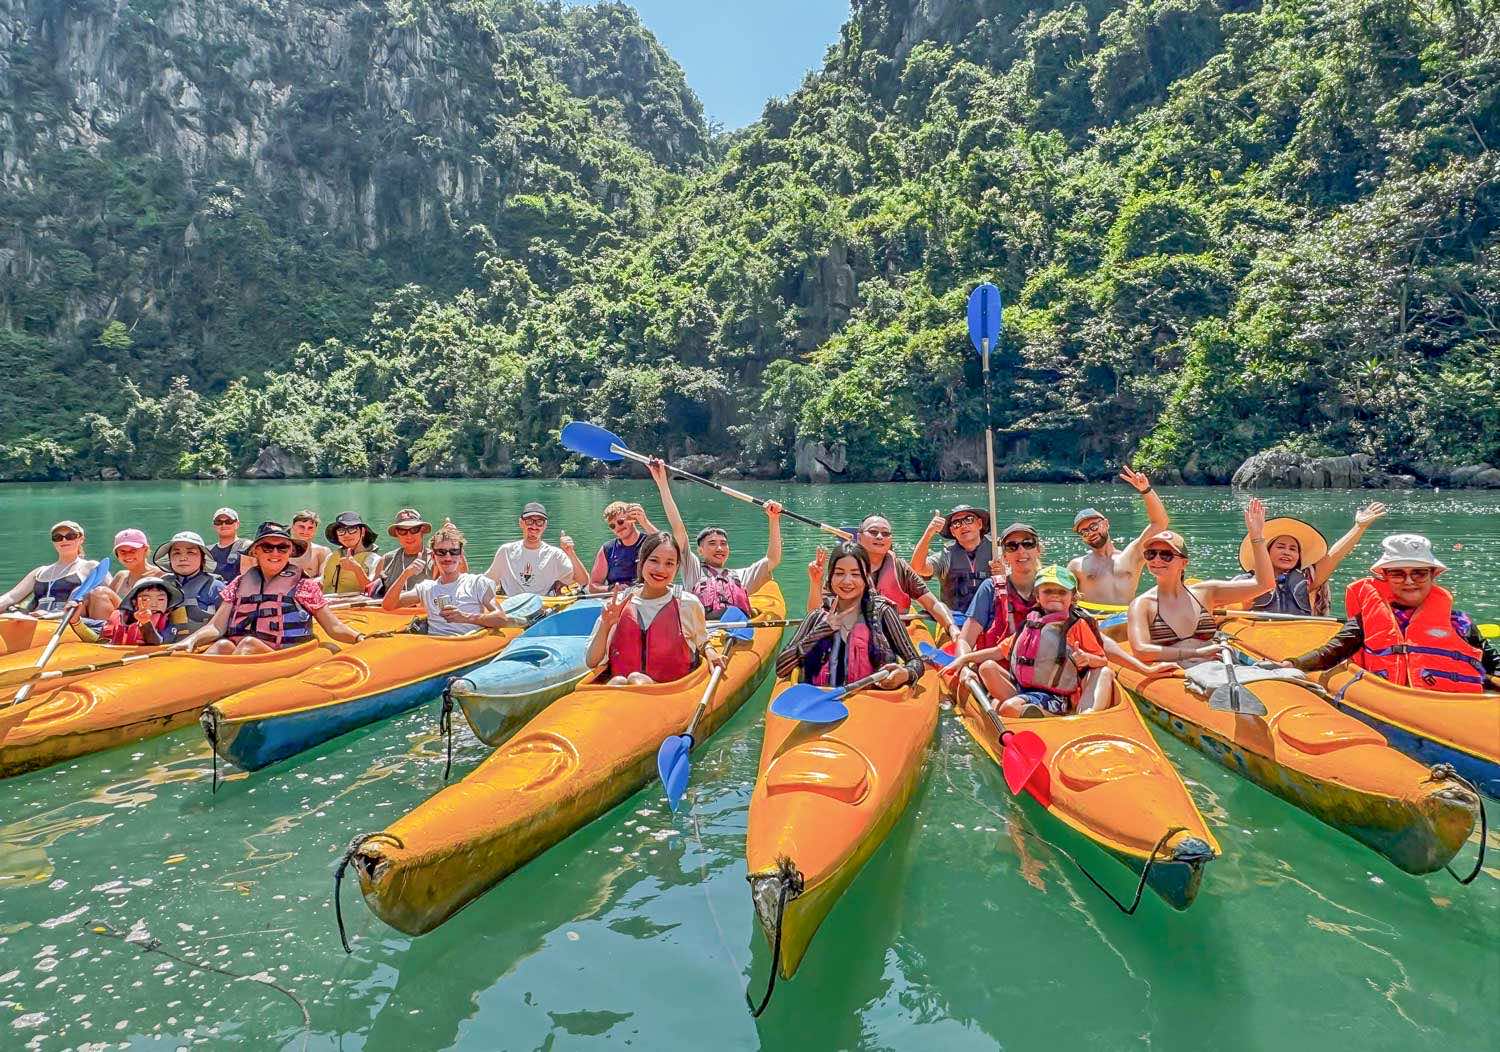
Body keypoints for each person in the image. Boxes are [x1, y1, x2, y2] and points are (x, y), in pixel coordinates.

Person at [1276, 534, 1499, 691]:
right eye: (1398, 574)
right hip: (1393, 702)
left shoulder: (1458, 622)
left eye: (1419, 573)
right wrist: (1294, 664)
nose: (1409, 581)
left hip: (1455, 706)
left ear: (1433, 576)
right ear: (1385, 577)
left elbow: (1493, 662)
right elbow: (1332, 652)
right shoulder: (1366, 621)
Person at [939, 565, 1114, 716]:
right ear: (1037, 596)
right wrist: (964, 659)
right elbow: (999, 651)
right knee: (987, 667)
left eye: (1062, 592)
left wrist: (1086, 659)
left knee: (1007, 707)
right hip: (1024, 688)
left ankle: (1049, 717)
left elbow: (1102, 661)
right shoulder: (1031, 622)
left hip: (1055, 696)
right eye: (1048, 591)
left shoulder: (1076, 625)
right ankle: (1024, 710)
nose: (1055, 596)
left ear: (1073, 597)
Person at [172, 522, 362, 655]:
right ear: (255, 551)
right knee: (222, 645)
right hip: (242, 654)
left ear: (291, 552)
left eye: (282, 548)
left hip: (283, 655)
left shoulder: (304, 586)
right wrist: (191, 640)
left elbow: (334, 627)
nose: (275, 553)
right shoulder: (239, 584)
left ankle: (218, 686)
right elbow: (216, 626)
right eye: (267, 547)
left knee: (248, 644)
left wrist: (360, 638)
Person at [1126, 500, 1275, 667]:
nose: (1157, 560)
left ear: (1183, 563)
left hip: (1217, 666)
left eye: (1166, 555)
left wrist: (1256, 537)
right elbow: (1141, 650)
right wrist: (1194, 653)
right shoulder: (1142, 604)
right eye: (1151, 554)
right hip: (1181, 673)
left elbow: (1264, 584)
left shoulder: (1206, 592)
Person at [776, 542, 923, 689]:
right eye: (839, 573)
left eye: (855, 574)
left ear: (866, 578)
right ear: (830, 577)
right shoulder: (817, 616)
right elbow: (782, 668)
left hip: (872, 703)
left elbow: (915, 661)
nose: (847, 581)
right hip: (819, 703)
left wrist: (906, 673)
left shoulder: (882, 613)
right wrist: (821, 631)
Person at [585, 531, 723, 686]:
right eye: (654, 560)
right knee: (618, 681)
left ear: (677, 567)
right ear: (641, 561)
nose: (661, 569)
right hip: (620, 693)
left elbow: (702, 642)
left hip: (670, 693)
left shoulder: (688, 604)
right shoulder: (618, 605)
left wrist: (710, 650)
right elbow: (592, 662)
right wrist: (605, 625)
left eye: (669, 563)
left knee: (637, 680)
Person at [648, 460, 781, 618]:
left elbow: (772, 559)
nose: (719, 548)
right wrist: (662, 483)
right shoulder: (693, 569)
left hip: (737, 633)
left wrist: (774, 519)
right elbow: (678, 528)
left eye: (723, 544)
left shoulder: (742, 575)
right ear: (700, 550)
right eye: (712, 543)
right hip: (705, 631)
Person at [1231, 503, 1388, 616]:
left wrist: (1359, 527)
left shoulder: (1306, 580)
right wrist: (1256, 536)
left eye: (1293, 549)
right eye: (1280, 547)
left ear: (1299, 557)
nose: (1287, 552)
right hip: (1258, 641)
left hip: (1300, 639)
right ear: (1266, 552)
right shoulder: (1245, 582)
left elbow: (1334, 556)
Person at [383, 520, 526, 635]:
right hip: (434, 646)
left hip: (467, 646)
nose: (448, 557)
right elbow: (388, 605)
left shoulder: (477, 583)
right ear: (433, 556)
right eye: (441, 552)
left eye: (454, 551)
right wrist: (405, 574)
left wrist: (465, 617)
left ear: (461, 555)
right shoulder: (426, 588)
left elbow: (500, 618)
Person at [1067, 466, 1171, 605]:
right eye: (1084, 531)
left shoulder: (1132, 555)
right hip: (1093, 621)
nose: (1090, 533)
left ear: (1106, 524)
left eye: (1093, 526)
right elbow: (1062, 597)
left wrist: (1145, 490)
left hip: (1125, 620)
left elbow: (1159, 523)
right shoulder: (1076, 566)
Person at [955, 523, 1046, 656]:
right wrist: (964, 668)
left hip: (1040, 669)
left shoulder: (1052, 587)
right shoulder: (990, 588)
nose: (1021, 550)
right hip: (996, 670)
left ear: (1038, 549)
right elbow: (965, 640)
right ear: (1004, 556)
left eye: (1027, 544)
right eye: (1012, 546)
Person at [0, 521, 114, 620]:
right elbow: (11, 597)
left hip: (69, 621)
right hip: (36, 619)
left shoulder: (91, 567)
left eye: (70, 536)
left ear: (81, 539)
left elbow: (111, 596)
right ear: (54, 542)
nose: (64, 540)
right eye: (57, 537)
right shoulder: (40, 572)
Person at [910, 504, 1005, 618]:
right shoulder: (946, 555)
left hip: (992, 616)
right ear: (952, 531)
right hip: (954, 618)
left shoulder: (998, 550)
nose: (963, 526)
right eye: (956, 523)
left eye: (969, 520)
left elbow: (1020, 580)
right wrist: (929, 533)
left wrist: (1004, 574)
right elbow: (917, 568)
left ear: (979, 524)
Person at [483, 502, 589, 596]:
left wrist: (570, 553)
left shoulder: (555, 554)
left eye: (539, 522)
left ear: (545, 525)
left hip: (544, 608)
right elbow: (487, 581)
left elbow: (583, 581)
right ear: (521, 523)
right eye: (529, 521)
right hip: (510, 607)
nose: (534, 526)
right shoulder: (506, 551)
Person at [73, 577, 185, 646]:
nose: (154, 604)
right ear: (134, 602)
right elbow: (100, 642)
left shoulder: (170, 624)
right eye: (145, 599)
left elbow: (157, 643)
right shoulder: (121, 617)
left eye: (161, 599)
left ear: (168, 602)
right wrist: (75, 622)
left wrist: (145, 623)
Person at [153, 531, 227, 629]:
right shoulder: (160, 586)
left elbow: (226, 625)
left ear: (203, 558)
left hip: (205, 642)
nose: (183, 558)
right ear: (169, 558)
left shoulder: (216, 587)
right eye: (176, 553)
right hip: (165, 643)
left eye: (191, 552)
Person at [589, 501, 660, 591]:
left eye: (620, 522)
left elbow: (666, 545)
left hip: (646, 595)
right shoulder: (607, 549)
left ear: (632, 520)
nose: (618, 527)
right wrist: (611, 588)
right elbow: (593, 586)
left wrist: (645, 522)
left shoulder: (649, 542)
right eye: (612, 526)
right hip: (618, 598)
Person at [371, 509, 435, 598]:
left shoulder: (435, 558)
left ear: (422, 530)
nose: (409, 536)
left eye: (414, 529)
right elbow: (372, 592)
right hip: (389, 610)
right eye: (402, 531)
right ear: (397, 533)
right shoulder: (386, 559)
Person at [322, 512, 380, 595]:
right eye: (341, 531)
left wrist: (356, 569)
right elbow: (321, 583)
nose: (346, 535)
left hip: (356, 606)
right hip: (327, 604)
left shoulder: (374, 560)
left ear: (362, 532)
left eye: (352, 529)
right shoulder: (331, 557)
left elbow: (374, 592)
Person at [106, 529, 162, 597]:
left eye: (133, 550)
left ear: (145, 549)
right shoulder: (120, 576)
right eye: (122, 551)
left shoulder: (161, 576)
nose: (128, 555)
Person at [208, 507, 252, 581]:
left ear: (237, 524)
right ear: (214, 526)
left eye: (229, 521)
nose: (224, 525)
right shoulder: (207, 551)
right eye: (219, 522)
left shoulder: (247, 546)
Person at [289, 511, 332, 579]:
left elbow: (324, 578)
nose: (305, 531)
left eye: (310, 528)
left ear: (315, 529)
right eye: (301, 527)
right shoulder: (282, 549)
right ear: (292, 527)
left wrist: (307, 585)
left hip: (311, 588)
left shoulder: (322, 551)